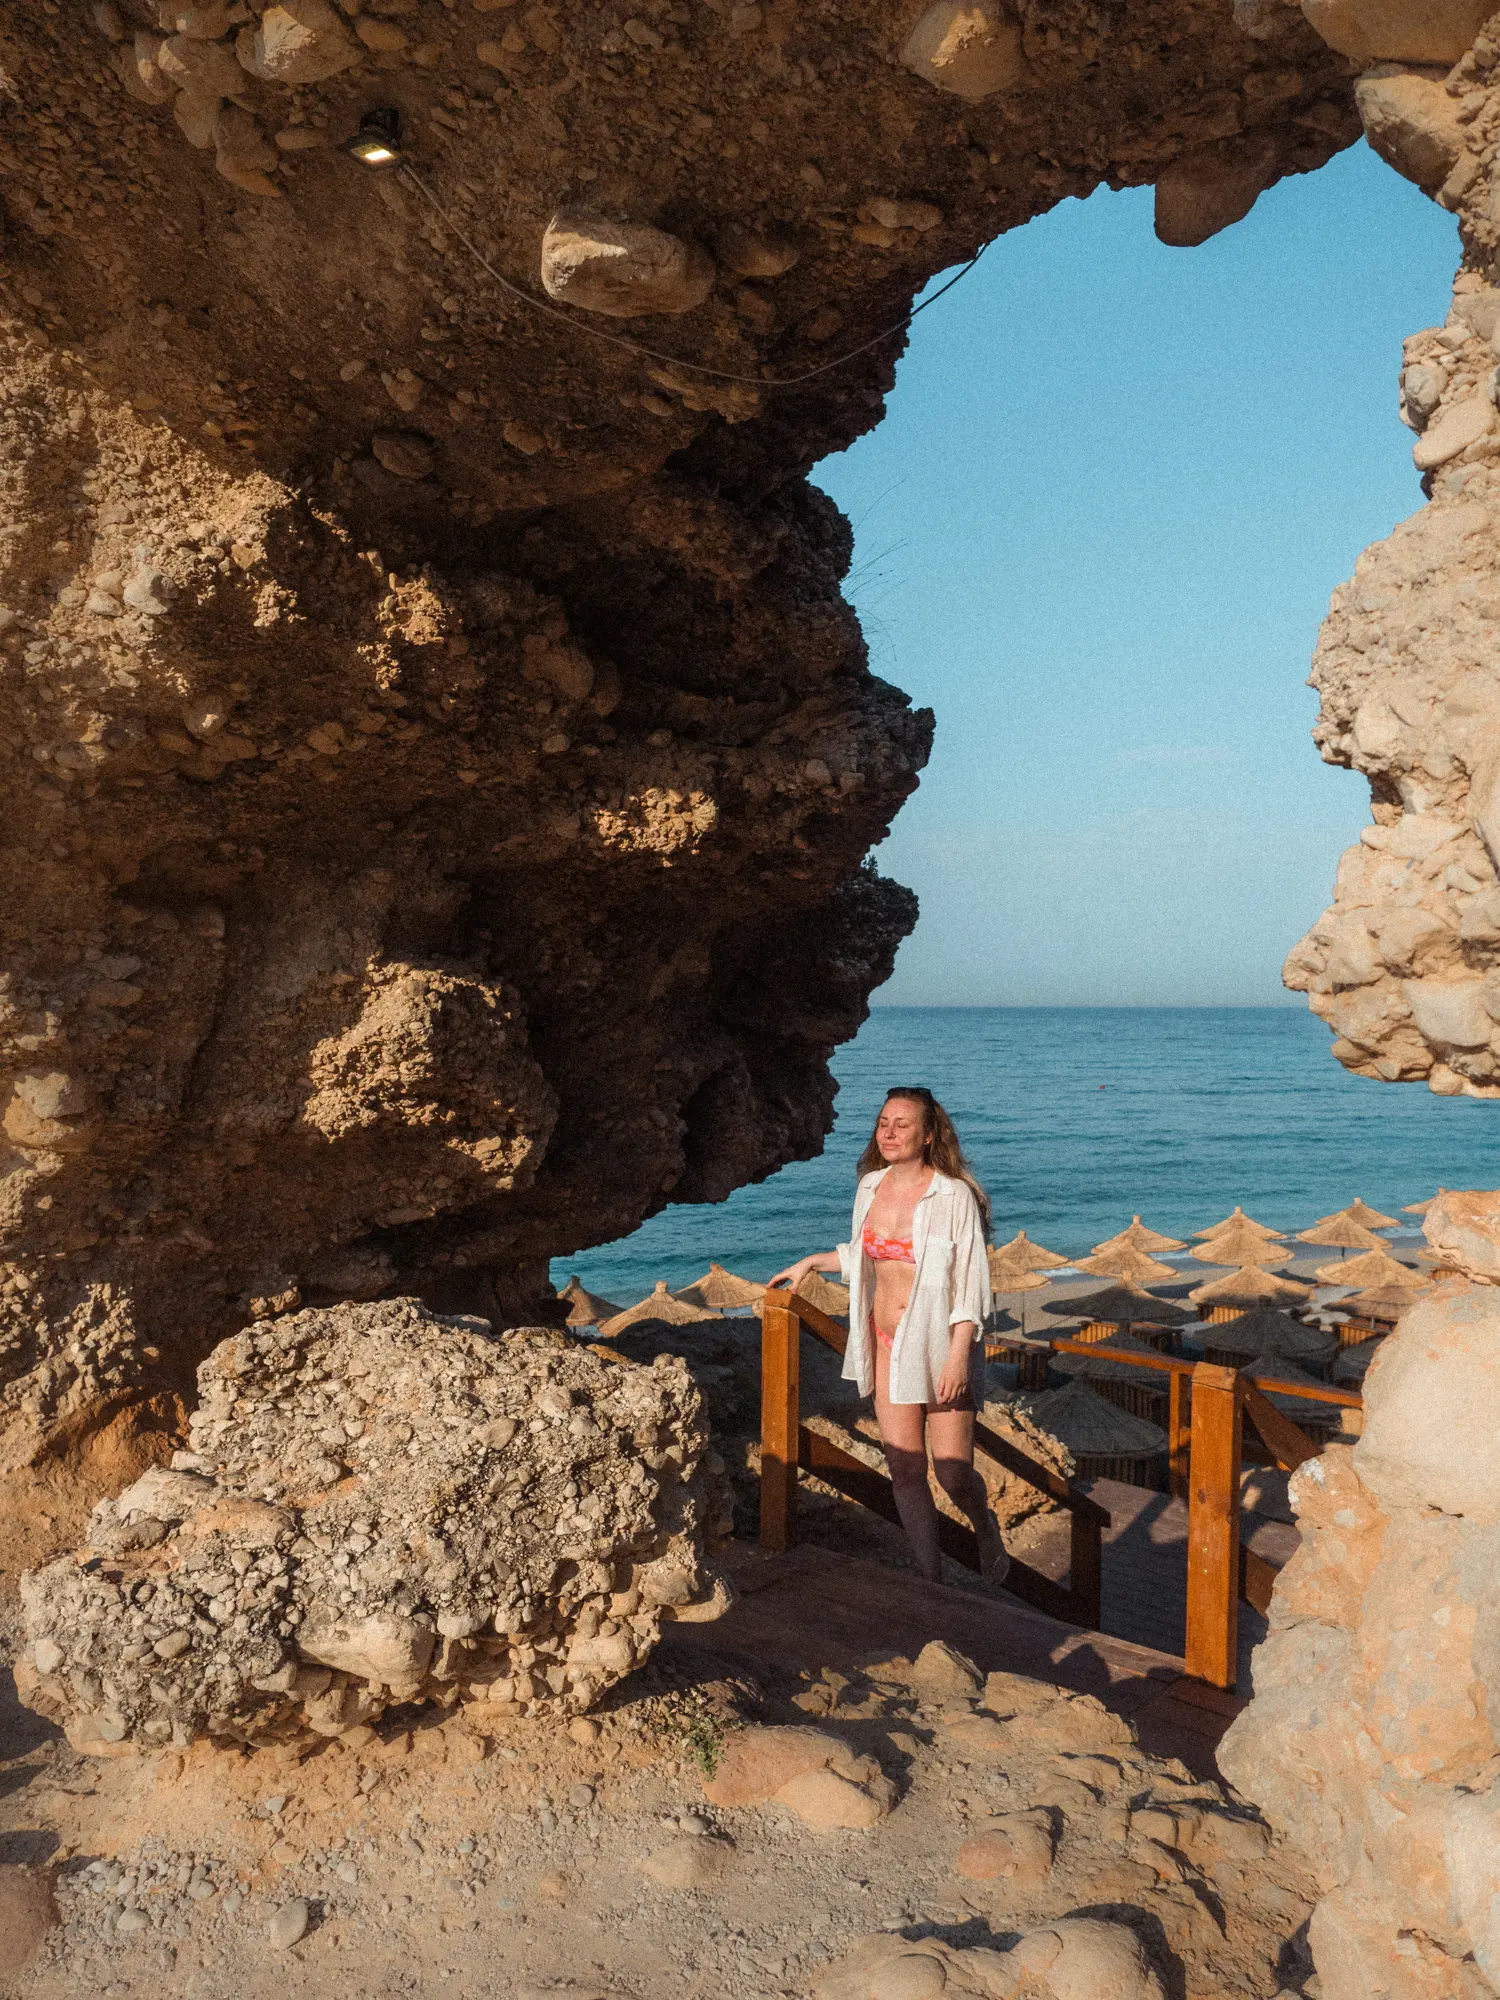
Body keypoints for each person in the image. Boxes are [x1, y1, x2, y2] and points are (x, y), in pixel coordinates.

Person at [769, 1086, 1007, 1583]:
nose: (890, 1132)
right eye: (883, 1122)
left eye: (902, 1123)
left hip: (942, 1348)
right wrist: (814, 1260)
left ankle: (983, 1526)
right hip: (887, 1345)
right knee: (904, 1470)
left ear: (928, 1134)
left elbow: (971, 1285)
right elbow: (865, 1255)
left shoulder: (953, 1196)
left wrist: (960, 1357)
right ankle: (931, 1578)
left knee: (952, 1473)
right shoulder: (870, 1186)